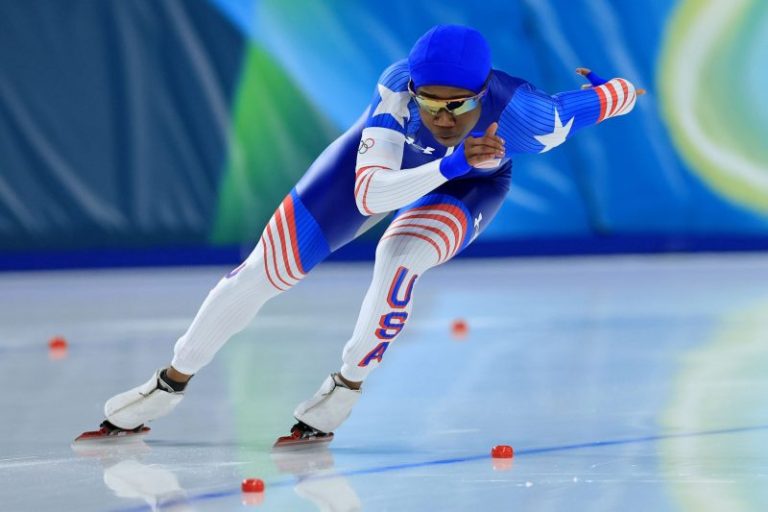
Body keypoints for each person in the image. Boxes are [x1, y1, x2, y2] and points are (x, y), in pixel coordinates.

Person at [81, 25, 642, 444]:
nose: (442, 118)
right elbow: (373, 194)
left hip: (470, 187)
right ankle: (168, 384)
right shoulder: (396, 91)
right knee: (261, 272)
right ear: (414, 88)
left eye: (460, 105)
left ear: (484, 92)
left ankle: (345, 388)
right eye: (431, 102)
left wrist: (618, 89)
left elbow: (610, 99)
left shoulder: (531, 115)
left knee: (400, 256)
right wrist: (449, 162)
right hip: (383, 170)